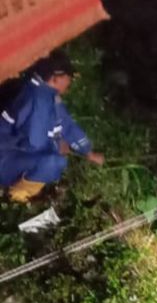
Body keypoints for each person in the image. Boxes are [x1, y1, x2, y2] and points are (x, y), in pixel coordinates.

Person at [0, 51, 104, 203]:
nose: (70, 82)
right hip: (5, 156)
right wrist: (57, 145)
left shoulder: (46, 93)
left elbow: (66, 125)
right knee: (55, 162)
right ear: (56, 78)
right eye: (68, 78)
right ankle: (15, 197)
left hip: (13, 152)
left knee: (55, 158)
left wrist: (88, 151)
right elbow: (34, 143)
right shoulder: (39, 100)